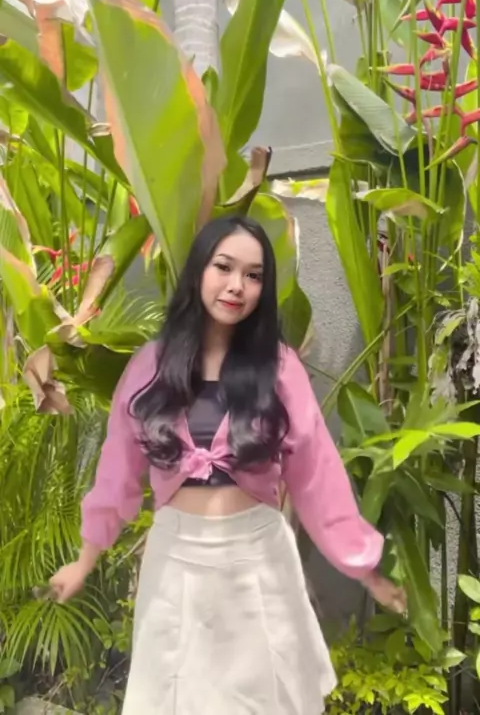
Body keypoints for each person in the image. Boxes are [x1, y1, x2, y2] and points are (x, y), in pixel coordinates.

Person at [50, 215, 406, 714]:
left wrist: (365, 569)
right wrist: (84, 561)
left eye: (254, 275)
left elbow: (317, 474)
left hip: (259, 560)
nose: (237, 285)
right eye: (224, 267)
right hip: (175, 563)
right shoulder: (150, 366)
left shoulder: (278, 367)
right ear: (200, 270)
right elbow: (116, 474)